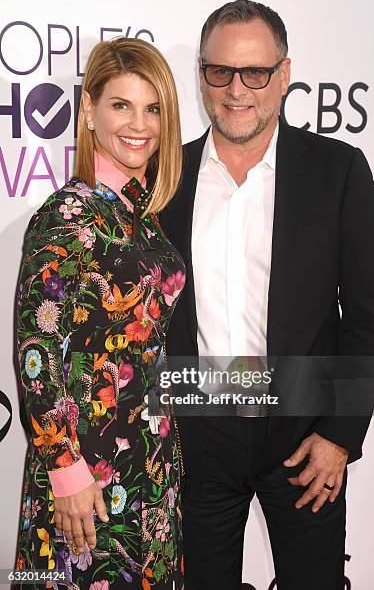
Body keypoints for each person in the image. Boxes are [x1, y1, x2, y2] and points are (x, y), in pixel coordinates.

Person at [159, 0, 374, 590]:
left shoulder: (339, 172)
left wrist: (340, 434)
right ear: (202, 75)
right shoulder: (164, 179)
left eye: (255, 73)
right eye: (220, 72)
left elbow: (366, 317)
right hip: (198, 434)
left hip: (305, 438)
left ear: (283, 76)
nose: (238, 90)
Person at [15, 37, 185, 589]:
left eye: (152, 108)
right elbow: (37, 346)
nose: (140, 124)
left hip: (149, 468)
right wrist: (63, 467)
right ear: (89, 110)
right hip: (87, 475)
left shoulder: (144, 218)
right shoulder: (68, 213)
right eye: (121, 105)